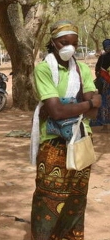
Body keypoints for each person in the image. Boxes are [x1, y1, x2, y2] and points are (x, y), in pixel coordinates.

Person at [30, 20, 101, 240]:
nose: (69, 47)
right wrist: (87, 104)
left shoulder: (81, 69)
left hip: (80, 141)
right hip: (53, 144)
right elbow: (56, 111)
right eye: (64, 42)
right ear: (53, 42)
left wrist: (69, 105)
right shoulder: (44, 69)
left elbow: (93, 114)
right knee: (48, 198)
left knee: (76, 198)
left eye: (74, 43)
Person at [90, 38, 110, 132]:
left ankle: (105, 126)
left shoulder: (102, 57)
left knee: (105, 102)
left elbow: (97, 69)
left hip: (104, 82)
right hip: (106, 82)